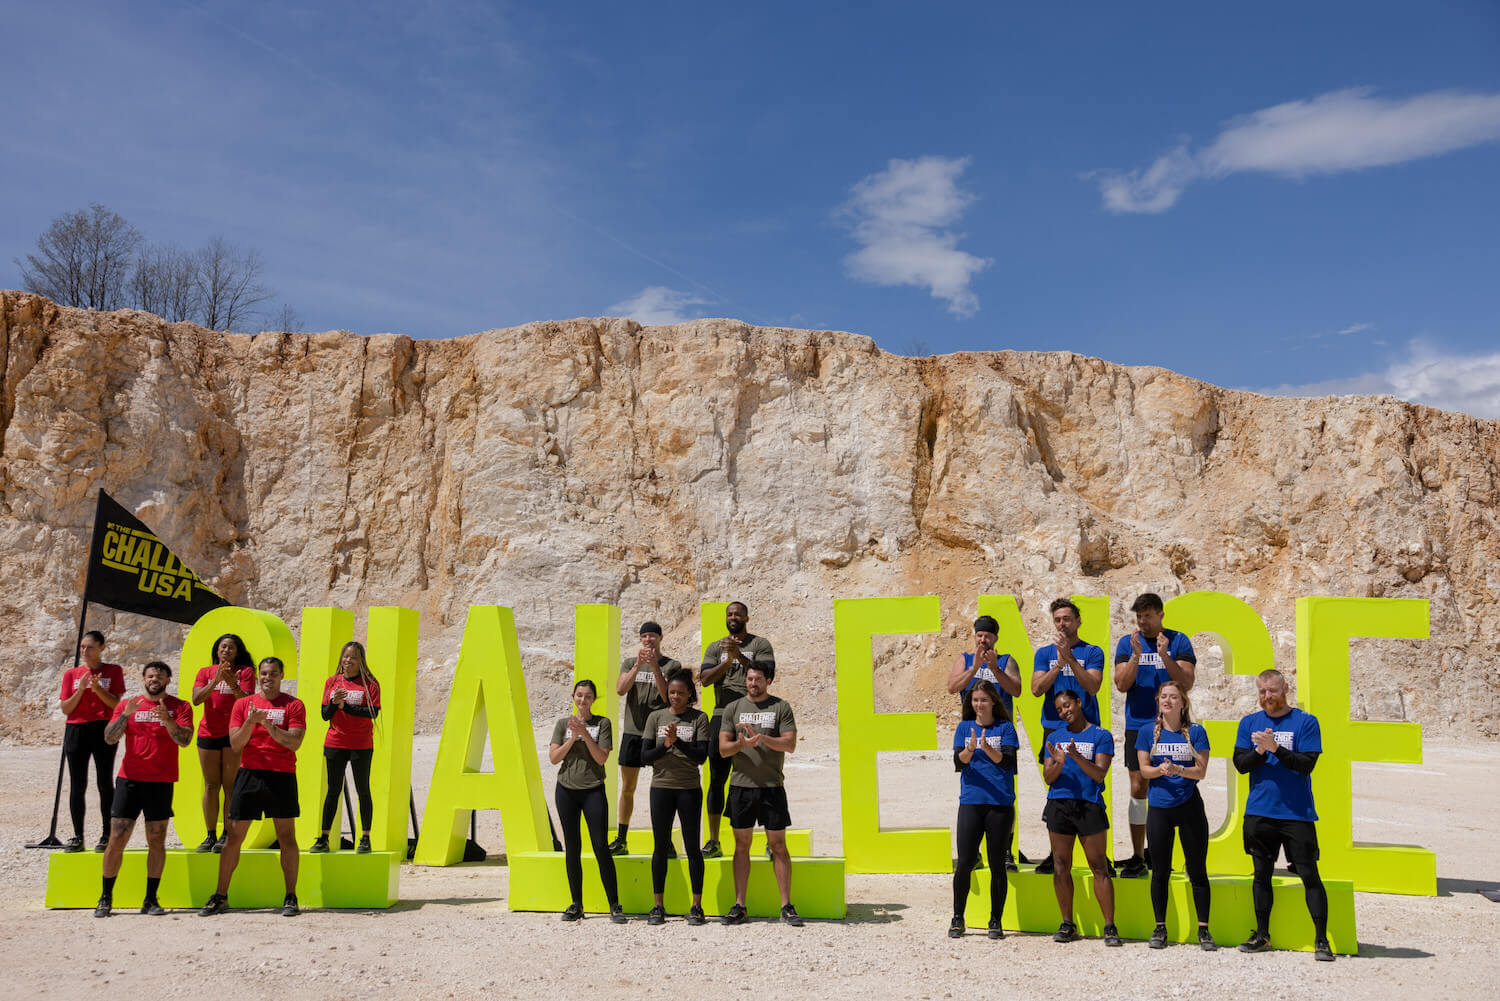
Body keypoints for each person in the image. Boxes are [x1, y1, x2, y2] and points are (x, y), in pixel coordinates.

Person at [1234, 669, 1333, 962]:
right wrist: (1262, 752)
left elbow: (1305, 765)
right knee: (1261, 876)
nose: (1267, 697)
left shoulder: (1306, 722)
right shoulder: (1249, 722)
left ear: (1285, 688)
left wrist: (1275, 747)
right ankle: (1262, 935)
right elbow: (1241, 764)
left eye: (1273, 691)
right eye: (1262, 692)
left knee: (1309, 875)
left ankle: (1321, 940)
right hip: (1260, 812)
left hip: (1297, 814)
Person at [199, 657, 306, 918]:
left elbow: (294, 742)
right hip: (249, 774)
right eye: (264, 674)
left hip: (281, 774)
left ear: (281, 675)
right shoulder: (243, 704)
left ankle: (291, 896)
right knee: (234, 837)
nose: (267, 678)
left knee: (286, 837)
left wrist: (268, 724)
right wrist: (251, 721)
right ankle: (220, 895)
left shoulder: (294, 704)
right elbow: (235, 744)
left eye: (273, 674)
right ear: (258, 676)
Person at [95, 661, 193, 917]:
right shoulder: (129, 704)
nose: (155, 679)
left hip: (161, 782)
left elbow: (185, 740)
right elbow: (109, 737)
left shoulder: (180, 707)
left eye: (160, 676)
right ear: (144, 678)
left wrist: (168, 721)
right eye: (150, 676)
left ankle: (150, 899)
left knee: (157, 840)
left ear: (168, 680)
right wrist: (125, 715)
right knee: (117, 838)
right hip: (130, 780)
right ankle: (105, 897)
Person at [1113, 592, 1196, 878]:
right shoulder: (1128, 642)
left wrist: (1164, 655)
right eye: (1139, 617)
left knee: (1173, 785)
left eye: (1148, 616)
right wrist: (1137, 656)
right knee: (1139, 787)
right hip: (1138, 726)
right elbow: (1122, 685)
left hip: (1172, 726)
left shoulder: (1179, 641)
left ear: (1161, 615)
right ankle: (1137, 854)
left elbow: (1186, 682)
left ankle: (1160, 852)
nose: (1143, 622)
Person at [718, 662, 801, 927]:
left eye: (758, 679)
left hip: (772, 788)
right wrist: (742, 743)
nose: (753, 683)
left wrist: (763, 738)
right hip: (741, 788)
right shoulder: (733, 708)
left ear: (768, 680)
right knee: (741, 847)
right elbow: (723, 749)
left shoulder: (780, 707)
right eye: (750, 679)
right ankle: (740, 905)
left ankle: (786, 906)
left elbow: (790, 745)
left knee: (779, 847)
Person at [1136, 680, 1216, 950]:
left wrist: (1180, 771)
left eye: (1172, 697)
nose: (1167, 701)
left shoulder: (1196, 732)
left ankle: (1203, 930)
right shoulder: (1147, 732)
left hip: (1190, 806)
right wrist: (1162, 770)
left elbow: (1201, 771)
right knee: (1160, 871)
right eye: (1163, 697)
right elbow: (1144, 770)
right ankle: (1160, 928)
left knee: (1197, 869)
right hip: (1159, 808)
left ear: (1183, 702)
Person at [1030, 599, 1104, 875]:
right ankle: (1056, 853)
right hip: (1054, 727)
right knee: (1057, 786)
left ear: (1078, 621)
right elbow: (1037, 689)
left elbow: (1093, 686)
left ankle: (1099, 855)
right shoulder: (1044, 654)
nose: (1062, 624)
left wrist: (1071, 659)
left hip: (1087, 727)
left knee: (1091, 783)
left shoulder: (1093, 652)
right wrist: (1058, 664)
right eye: (1058, 619)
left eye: (1067, 619)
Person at [1042, 689, 1120, 947]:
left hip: (1089, 806)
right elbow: (1048, 778)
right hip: (1059, 805)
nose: (1064, 712)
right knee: (1061, 865)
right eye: (1060, 709)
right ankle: (1067, 923)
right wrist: (1060, 763)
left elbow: (1099, 774)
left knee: (1099, 866)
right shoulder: (1055, 737)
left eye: (1067, 705)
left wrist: (1076, 757)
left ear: (1078, 703)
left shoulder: (1101, 735)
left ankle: (1109, 926)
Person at [947, 614, 1023, 871]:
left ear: (995, 638)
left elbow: (1016, 690)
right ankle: (974, 851)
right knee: (974, 789)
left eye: (987, 636)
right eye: (979, 635)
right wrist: (974, 667)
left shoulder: (1006, 660)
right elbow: (951, 686)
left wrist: (994, 669)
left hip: (1001, 733)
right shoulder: (965, 659)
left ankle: (1006, 850)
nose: (983, 639)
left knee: (1004, 791)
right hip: (972, 732)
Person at [698, 601, 774, 859]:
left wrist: (739, 656)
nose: (733, 617)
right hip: (721, 715)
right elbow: (705, 680)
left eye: (738, 614)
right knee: (717, 778)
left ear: (746, 618)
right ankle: (713, 840)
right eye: (729, 614)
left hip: (753, 714)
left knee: (760, 775)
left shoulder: (759, 644)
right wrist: (727, 660)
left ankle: (769, 839)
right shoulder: (714, 647)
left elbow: (768, 674)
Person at [548, 679, 626, 923]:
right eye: (579, 695)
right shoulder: (563, 724)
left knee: (601, 845)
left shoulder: (602, 723)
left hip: (593, 789)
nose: (583, 700)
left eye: (588, 696)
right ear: (573, 696)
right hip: (566, 790)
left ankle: (614, 904)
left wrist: (584, 734)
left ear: (593, 700)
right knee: (572, 847)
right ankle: (576, 904)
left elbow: (601, 758)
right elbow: (553, 757)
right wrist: (572, 738)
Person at [639, 667, 710, 925]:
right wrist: (664, 745)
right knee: (660, 846)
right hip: (661, 788)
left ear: (690, 693)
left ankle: (697, 906)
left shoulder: (699, 718)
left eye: (680, 692)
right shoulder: (655, 717)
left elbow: (701, 756)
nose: (675, 696)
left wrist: (677, 741)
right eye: (671, 692)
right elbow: (644, 757)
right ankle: (658, 905)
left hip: (689, 788)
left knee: (692, 847)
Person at [948, 680, 1018, 940]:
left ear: (993, 703)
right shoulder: (964, 728)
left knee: (997, 864)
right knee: (965, 861)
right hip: (971, 803)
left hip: (999, 804)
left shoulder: (1006, 728)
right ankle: (958, 917)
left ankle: (995, 920)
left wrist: (989, 749)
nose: (979, 704)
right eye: (975, 700)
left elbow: (1009, 762)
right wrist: (969, 749)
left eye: (984, 700)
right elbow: (958, 762)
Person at [607, 621, 679, 856]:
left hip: (658, 733)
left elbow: (667, 697)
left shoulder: (671, 664)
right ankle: (621, 838)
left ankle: (665, 841)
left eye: (652, 636)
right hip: (632, 732)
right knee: (628, 787)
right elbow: (620, 689)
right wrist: (639, 664)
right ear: (641, 639)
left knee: (662, 789)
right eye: (644, 636)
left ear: (660, 638)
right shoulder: (630, 663)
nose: (648, 640)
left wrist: (655, 667)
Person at [58, 630, 126, 852]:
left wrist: (97, 689)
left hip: (103, 728)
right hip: (76, 728)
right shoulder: (72, 674)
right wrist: (81, 690)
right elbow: (66, 708)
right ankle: (78, 836)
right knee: (78, 784)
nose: (85, 651)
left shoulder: (113, 671)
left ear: (102, 648)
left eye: (90, 647)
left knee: (105, 783)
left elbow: (116, 704)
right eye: (82, 647)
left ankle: (107, 835)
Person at [311, 641, 381, 854]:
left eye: (353, 658)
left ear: (361, 661)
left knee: (363, 790)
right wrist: (334, 704)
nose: (348, 661)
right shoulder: (332, 682)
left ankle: (365, 838)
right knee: (333, 791)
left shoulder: (370, 683)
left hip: (360, 744)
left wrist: (345, 706)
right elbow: (325, 715)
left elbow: (372, 713)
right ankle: (323, 838)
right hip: (335, 742)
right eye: (345, 657)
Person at [190, 633, 256, 852]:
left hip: (232, 734)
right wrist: (216, 680)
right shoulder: (205, 672)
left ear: (237, 652)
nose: (226, 650)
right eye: (222, 647)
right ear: (216, 650)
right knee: (211, 785)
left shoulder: (245, 672)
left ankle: (227, 834)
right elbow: (197, 699)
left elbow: (247, 702)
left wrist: (233, 684)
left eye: (231, 647)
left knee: (230, 786)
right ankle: (210, 835)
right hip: (208, 733)